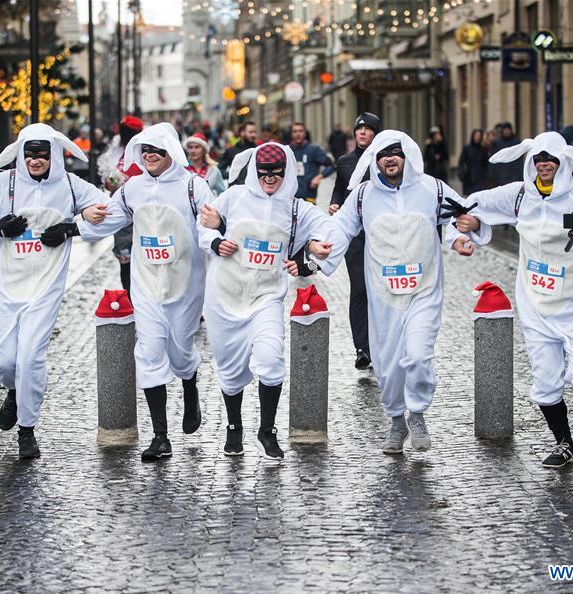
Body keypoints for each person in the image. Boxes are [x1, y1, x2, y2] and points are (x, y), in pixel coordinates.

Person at [453, 132, 573, 469]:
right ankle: (564, 442)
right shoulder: (519, 196)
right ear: (531, 162)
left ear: (563, 162)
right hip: (536, 304)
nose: (544, 164)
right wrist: (470, 225)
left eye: (551, 159)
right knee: (546, 381)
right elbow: (471, 205)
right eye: (539, 159)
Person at [314, 130, 480, 456]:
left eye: (396, 152)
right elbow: (341, 228)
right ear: (374, 160)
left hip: (424, 289)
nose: (390, 158)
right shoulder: (363, 195)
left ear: (407, 155)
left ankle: (416, 414)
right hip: (383, 294)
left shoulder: (431, 188)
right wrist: (317, 252)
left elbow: (457, 217)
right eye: (383, 153)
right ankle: (395, 420)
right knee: (387, 366)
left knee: (418, 355)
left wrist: (458, 239)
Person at [0, 123, 106, 459]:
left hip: (44, 287)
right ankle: (13, 391)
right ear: (21, 153)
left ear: (53, 154)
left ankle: (27, 430)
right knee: (5, 361)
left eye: (42, 153)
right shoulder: (3, 184)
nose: (36, 160)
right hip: (6, 285)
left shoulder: (70, 185)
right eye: (30, 152)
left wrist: (72, 228)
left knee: (30, 357)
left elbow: (108, 211)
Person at [78, 123, 215, 461]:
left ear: (171, 152)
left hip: (185, 285)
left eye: (158, 150)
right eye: (146, 151)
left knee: (181, 350)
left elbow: (211, 229)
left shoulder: (193, 187)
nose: (151, 156)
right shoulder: (132, 188)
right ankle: (160, 436)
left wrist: (217, 236)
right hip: (146, 284)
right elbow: (107, 219)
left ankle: (189, 385)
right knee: (150, 351)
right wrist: (79, 220)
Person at [196, 143, 333, 460]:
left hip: (266, 296)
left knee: (271, 361)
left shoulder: (296, 208)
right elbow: (203, 224)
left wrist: (319, 248)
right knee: (229, 370)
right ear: (255, 172)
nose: (270, 177)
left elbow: (327, 229)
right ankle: (234, 427)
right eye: (264, 171)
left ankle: (267, 430)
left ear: (286, 172)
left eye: (276, 171)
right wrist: (216, 241)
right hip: (224, 296)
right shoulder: (234, 197)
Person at [329, 111, 381, 369]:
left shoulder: (384, 160)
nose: (362, 133)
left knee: (381, 290)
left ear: (375, 133)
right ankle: (362, 348)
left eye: (368, 129)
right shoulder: (345, 162)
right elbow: (339, 188)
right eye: (359, 129)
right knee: (359, 288)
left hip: (383, 238)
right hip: (355, 237)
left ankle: (383, 344)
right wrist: (335, 203)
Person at [99, 115, 145, 290]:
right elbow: (106, 172)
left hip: (141, 211)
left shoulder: (143, 151)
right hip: (120, 210)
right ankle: (128, 297)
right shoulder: (114, 150)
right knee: (124, 258)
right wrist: (109, 182)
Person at [288, 122, 336, 204]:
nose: (298, 134)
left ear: (305, 133)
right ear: (291, 134)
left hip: (309, 195)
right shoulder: (287, 150)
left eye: (300, 131)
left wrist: (318, 177)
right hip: (291, 196)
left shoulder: (314, 149)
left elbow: (331, 166)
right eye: (295, 131)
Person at [186, 132, 226, 196]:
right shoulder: (183, 168)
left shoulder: (213, 170)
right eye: (190, 147)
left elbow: (222, 193)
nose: (193, 150)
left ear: (204, 150)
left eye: (197, 147)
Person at [488, 122, 523, 186]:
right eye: (505, 130)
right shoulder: (497, 143)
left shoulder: (517, 142)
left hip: (514, 174)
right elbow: (494, 159)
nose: (507, 132)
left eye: (508, 130)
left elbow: (520, 160)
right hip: (501, 175)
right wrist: (492, 175)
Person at [457, 128, 489, 195]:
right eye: (476, 135)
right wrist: (461, 173)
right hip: (469, 178)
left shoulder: (483, 149)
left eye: (479, 136)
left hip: (481, 178)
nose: (477, 138)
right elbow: (461, 162)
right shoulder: (467, 148)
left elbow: (487, 163)